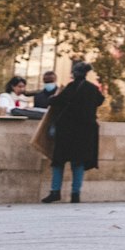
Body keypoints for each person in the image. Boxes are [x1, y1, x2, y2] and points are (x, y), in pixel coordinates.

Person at [41, 62, 104, 203]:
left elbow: (57, 101)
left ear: (74, 74)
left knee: (58, 162)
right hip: (86, 132)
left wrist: (51, 99)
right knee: (78, 163)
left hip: (67, 131)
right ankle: (75, 194)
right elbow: (100, 100)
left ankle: (55, 191)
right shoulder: (92, 89)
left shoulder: (72, 87)